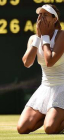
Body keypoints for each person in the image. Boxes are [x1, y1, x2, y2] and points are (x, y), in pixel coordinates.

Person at [17, 4, 64, 134]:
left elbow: (50, 61)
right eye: (39, 14)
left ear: (54, 19)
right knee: (22, 128)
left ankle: (53, 118)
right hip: (45, 88)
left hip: (63, 87)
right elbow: (27, 62)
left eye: (45, 15)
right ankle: (51, 114)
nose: (41, 17)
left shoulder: (62, 35)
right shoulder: (33, 38)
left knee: (50, 129)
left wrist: (45, 37)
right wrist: (38, 37)